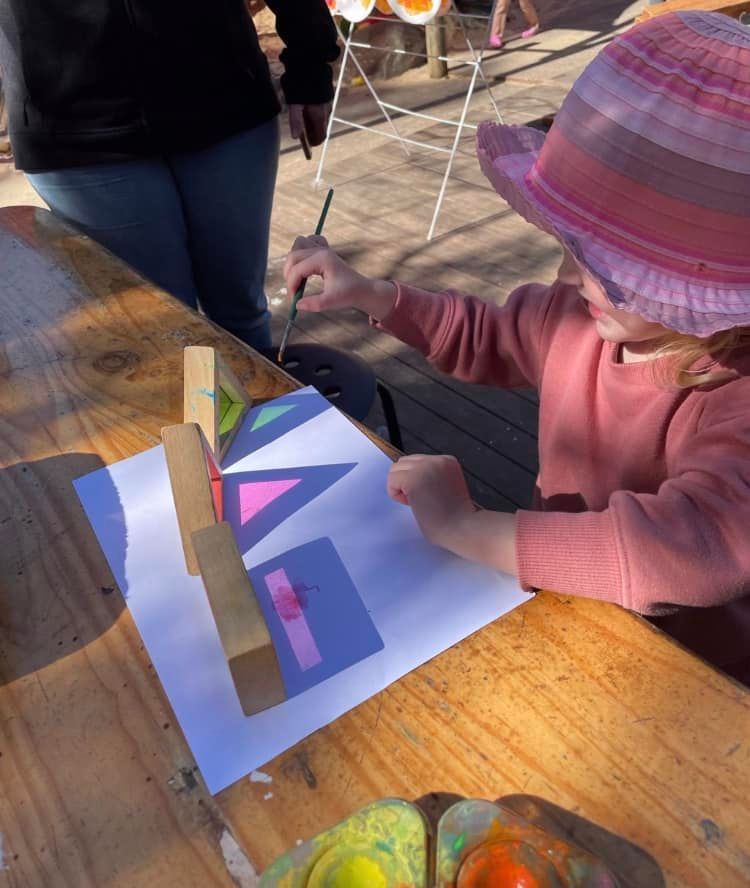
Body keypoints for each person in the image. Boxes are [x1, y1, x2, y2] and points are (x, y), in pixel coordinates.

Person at [284, 12, 750, 684]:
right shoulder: (577, 312)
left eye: (604, 264)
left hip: (690, 672)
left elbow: (698, 547)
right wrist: (373, 294)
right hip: (563, 605)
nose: (565, 276)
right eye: (566, 247)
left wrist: (466, 529)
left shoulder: (734, 391)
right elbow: (488, 335)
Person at [0, 0, 339, 350]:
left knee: (241, 314)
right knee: (167, 333)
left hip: (225, 101)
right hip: (74, 133)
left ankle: (266, 402)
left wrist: (311, 63)